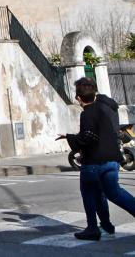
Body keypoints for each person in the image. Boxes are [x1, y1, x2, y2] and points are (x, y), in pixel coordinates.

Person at [58, 77, 135, 241]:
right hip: (112, 159)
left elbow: (88, 137)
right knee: (114, 192)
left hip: (94, 161)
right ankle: (106, 225)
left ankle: (92, 227)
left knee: (89, 193)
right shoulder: (106, 109)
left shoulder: (87, 114)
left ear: (79, 98)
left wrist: (69, 137)